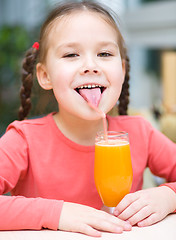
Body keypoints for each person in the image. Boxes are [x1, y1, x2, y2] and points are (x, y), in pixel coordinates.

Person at [0, 0, 176, 237]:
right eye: (71, 54)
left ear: (122, 71)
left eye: (104, 53)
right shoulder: (23, 141)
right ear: (45, 75)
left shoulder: (140, 133)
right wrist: (58, 213)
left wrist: (168, 196)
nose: (91, 66)